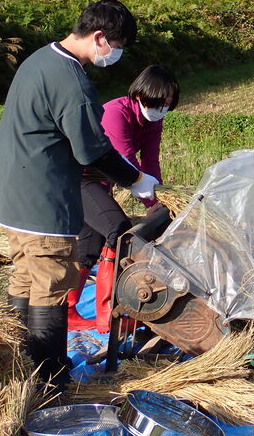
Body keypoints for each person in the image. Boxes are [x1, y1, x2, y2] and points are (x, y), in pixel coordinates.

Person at [0, 0, 159, 391]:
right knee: (51, 287)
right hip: (43, 202)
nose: (116, 54)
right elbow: (92, 150)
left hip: (11, 197)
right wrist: (136, 179)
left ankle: (16, 368)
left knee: (25, 281)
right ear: (99, 36)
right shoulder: (71, 80)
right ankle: (51, 382)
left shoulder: (40, 59)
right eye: (117, 45)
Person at [68, 65, 180, 332]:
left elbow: (150, 161)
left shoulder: (153, 120)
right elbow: (126, 162)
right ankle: (109, 315)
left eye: (167, 105)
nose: (162, 110)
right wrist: (147, 197)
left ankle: (68, 311)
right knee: (118, 230)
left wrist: (160, 205)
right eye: (158, 103)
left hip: (100, 181)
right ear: (141, 96)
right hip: (78, 178)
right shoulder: (115, 113)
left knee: (89, 245)